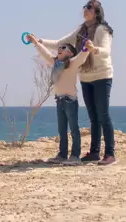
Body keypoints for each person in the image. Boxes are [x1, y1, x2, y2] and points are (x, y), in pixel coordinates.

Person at [31, 0, 116, 166]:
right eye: (85, 6)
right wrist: (39, 41)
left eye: (89, 7)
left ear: (97, 12)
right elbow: (59, 43)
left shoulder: (102, 30)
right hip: (85, 77)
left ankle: (110, 154)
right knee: (93, 117)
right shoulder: (81, 30)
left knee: (103, 115)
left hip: (102, 76)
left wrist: (94, 49)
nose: (85, 9)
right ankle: (94, 152)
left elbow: (106, 52)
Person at [27, 34, 88, 164]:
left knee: (74, 129)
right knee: (62, 130)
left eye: (63, 47)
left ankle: (75, 157)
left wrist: (87, 48)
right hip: (59, 100)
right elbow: (45, 53)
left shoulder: (72, 63)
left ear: (71, 53)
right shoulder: (55, 63)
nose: (59, 48)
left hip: (70, 101)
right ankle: (62, 155)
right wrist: (35, 42)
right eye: (59, 47)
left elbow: (82, 57)